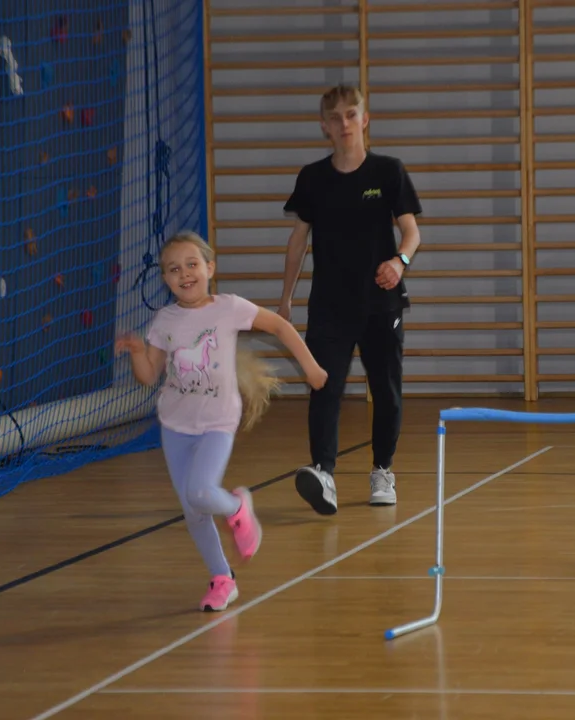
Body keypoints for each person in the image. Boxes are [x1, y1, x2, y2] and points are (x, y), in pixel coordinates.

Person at [116, 230, 328, 611]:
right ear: (165, 278)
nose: (185, 274)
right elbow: (149, 376)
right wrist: (135, 351)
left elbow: (278, 326)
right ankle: (222, 578)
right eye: (174, 269)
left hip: (217, 422)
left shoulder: (229, 308)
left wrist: (311, 367)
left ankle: (237, 506)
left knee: (201, 491)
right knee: (193, 510)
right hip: (176, 426)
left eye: (192, 265)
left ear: (210, 268)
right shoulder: (164, 320)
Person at [278, 83, 422, 515]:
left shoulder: (389, 171)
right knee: (323, 387)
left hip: (382, 305)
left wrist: (399, 261)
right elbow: (298, 240)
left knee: (387, 391)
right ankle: (323, 472)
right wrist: (284, 299)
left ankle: (383, 469)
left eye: (351, 114)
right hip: (328, 306)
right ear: (324, 125)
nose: (344, 123)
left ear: (365, 118)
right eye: (335, 117)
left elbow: (411, 233)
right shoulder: (312, 178)